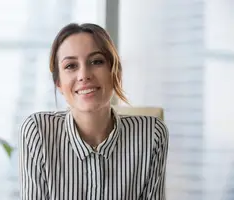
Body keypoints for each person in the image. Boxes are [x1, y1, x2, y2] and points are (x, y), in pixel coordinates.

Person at [19, 23, 169, 200]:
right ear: (58, 83)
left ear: (115, 73)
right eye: (71, 66)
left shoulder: (151, 135)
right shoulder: (37, 132)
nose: (84, 75)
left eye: (96, 61)